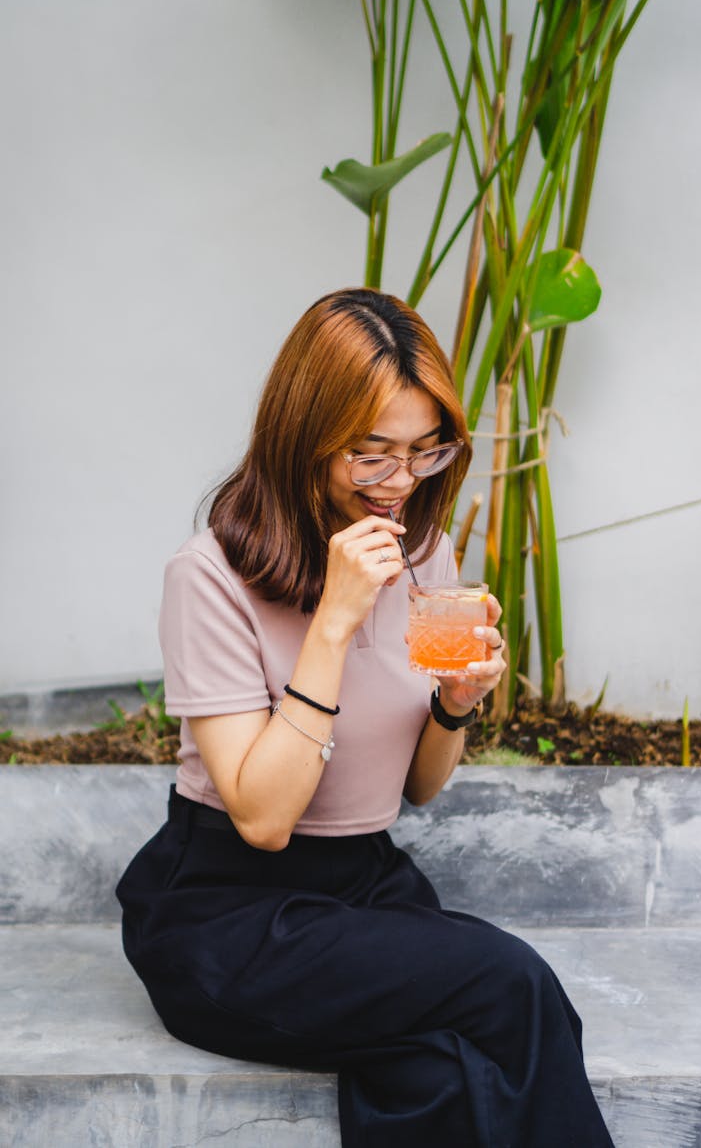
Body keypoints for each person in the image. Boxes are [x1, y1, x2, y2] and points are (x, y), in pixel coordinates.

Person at [117, 287, 615, 1147]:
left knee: (437, 1069)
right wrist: (335, 621)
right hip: (229, 912)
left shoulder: (427, 548)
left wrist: (453, 704)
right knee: (513, 986)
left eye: (425, 451)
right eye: (370, 453)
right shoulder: (206, 577)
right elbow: (264, 818)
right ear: (302, 437)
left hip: (366, 890)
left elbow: (418, 788)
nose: (399, 484)